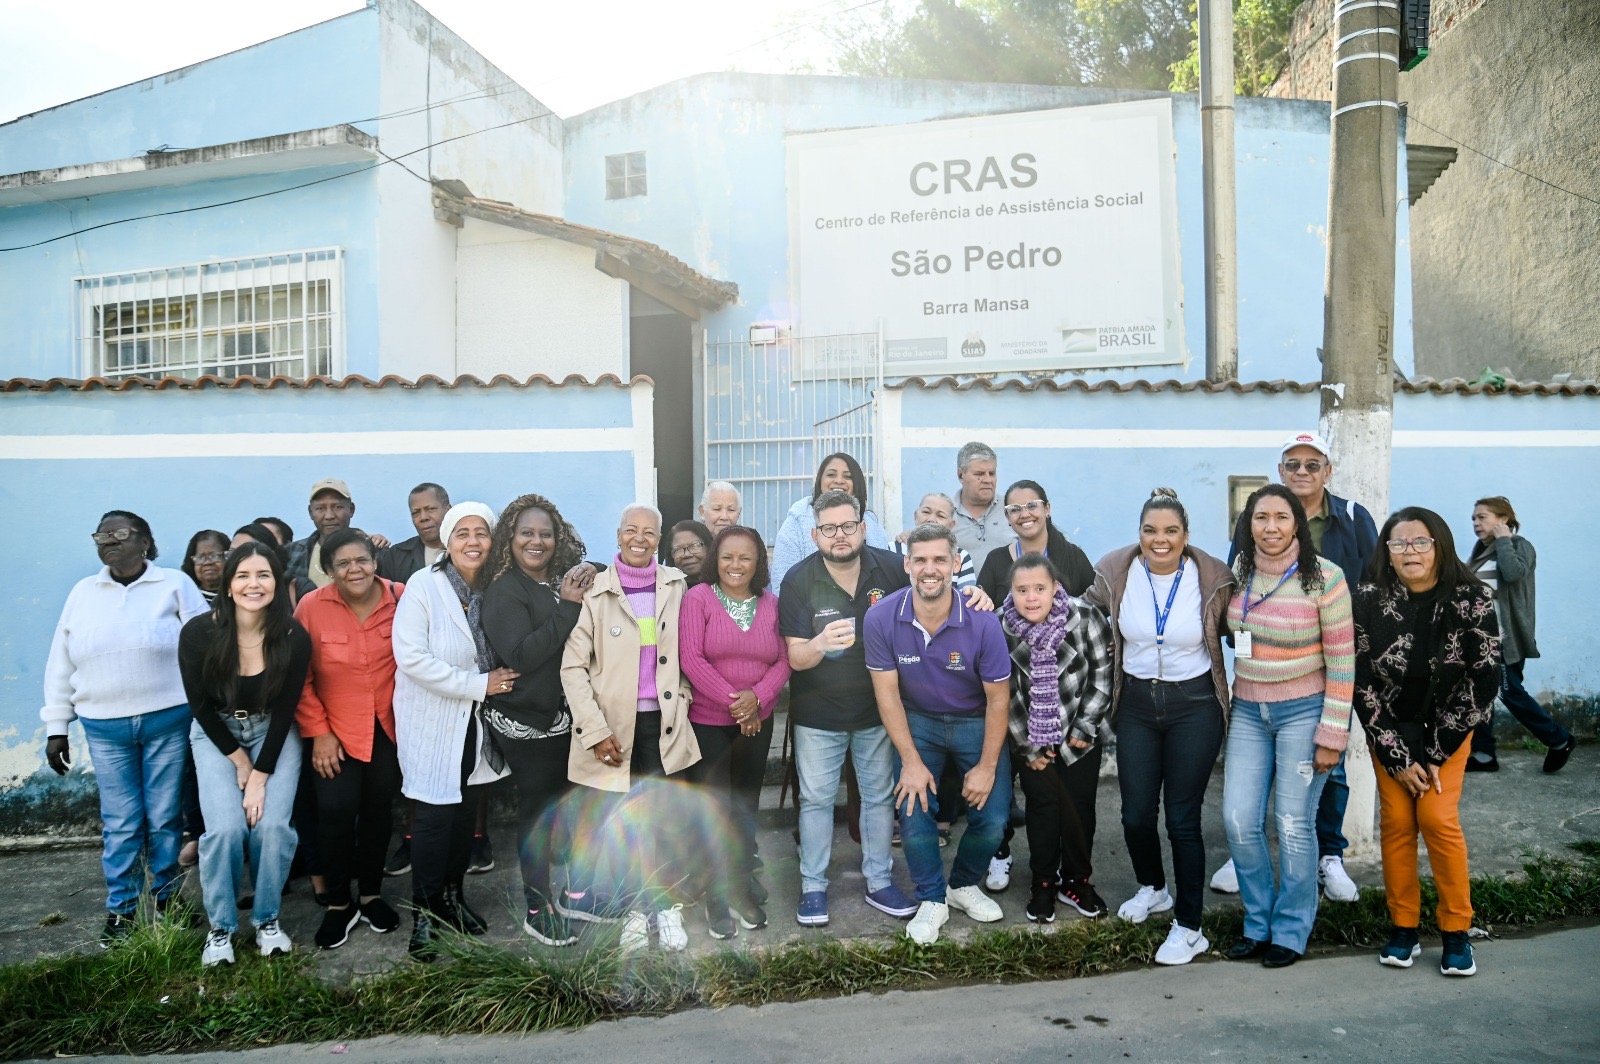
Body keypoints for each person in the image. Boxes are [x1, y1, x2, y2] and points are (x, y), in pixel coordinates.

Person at [1215, 432, 1377, 903]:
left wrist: (1349, 647)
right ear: (1281, 471)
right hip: (1258, 681)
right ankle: (1251, 854)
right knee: (1256, 780)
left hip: (1327, 666)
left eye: (1312, 464)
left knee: (1331, 769)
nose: (1302, 472)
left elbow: (1371, 579)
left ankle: (1330, 856)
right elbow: (1233, 587)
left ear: (1328, 471)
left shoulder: (1349, 518)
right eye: (1293, 464)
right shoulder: (1256, 530)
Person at [42, 510, 210, 947]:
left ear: (146, 542)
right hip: (104, 727)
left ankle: (169, 898)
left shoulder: (174, 584)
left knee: (164, 818)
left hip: (168, 719)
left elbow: (205, 645)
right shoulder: (82, 593)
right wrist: (56, 725)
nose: (110, 541)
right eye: (102, 534)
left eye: (121, 533)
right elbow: (61, 659)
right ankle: (123, 910)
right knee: (121, 822)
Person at [1085, 488, 1235, 965]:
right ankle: (1154, 888)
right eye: (1151, 530)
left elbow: (1247, 628)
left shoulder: (1211, 577)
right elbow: (1075, 613)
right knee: (1134, 814)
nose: (1160, 539)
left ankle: (1191, 927)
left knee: (1183, 819)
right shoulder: (1116, 573)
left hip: (1194, 704)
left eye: (1171, 531)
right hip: (1136, 705)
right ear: (1140, 534)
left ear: (1186, 536)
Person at [1354, 507, 1500, 978]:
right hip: (1391, 730)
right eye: (1399, 544)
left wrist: (1436, 752)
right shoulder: (1369, 599)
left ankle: (1456, 931)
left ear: (1440, 545)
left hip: (1449, 730)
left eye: (1420, 542)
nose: (1410, 551)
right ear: (1387, 552)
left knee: (1437, 818)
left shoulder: (1473, 597)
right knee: (1397, 821)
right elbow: (1361, 681)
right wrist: (1396, 755)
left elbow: (1485, 677)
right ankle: (1403, 927)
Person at [1220, 484, 1355, 969]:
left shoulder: (1326, 578)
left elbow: (1343, 661)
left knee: (1294, 824)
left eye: (1281, 517)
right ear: (1247, 524)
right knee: (1238, 820)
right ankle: (1258, 923)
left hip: (1305, 712)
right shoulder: (1236, 573)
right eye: (1261, 517)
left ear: (1297, 521)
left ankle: (1292, 929)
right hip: (1249, 714)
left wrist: (1332, 735)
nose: (1271, 527)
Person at [560, 503, 702, 952]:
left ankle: (667, 906)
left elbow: (691, 651)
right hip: (614, 729)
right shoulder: (595, 592)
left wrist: (683, 699)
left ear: (659, 540)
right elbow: (572, 667)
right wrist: (595, 730)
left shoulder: (677, 586)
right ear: (618, 535)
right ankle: (635, 909)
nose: (639, 539)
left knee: (663, 819)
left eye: (649, 532)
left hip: (664, 724)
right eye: (630, 530)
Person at [865, 524, 1013, 945]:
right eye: (921, 560)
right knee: (913, 812)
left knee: (993, 817)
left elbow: (998, 700)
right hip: (919, 721)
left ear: (954, 565)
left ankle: (962, 884)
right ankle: (932, 898)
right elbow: (887, 696)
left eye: (940, 560)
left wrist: (986, 766)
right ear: (907, 564)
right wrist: (910, 761)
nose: (930, 569)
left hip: (974, 719)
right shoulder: (881, 618)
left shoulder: (982, 621)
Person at [779, 490, 921, 929]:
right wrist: (820, 644)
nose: (838, 536)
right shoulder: (798, 580)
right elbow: (795, 658)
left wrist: (977, 599)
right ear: (814, 534)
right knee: (818, 800)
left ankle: (879, 881)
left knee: (878, 797)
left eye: (846, 526)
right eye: (828, 528)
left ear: (862, 527)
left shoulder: (894, 569)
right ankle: (813, 888)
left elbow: (934, 601)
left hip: (878, 711)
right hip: (818, 714)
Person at [178, 541, 311, 966]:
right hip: (216, 733)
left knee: (271, 827)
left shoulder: (292, 636)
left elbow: (289, 707)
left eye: (264, 575)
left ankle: (267, 920)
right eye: (243, 575)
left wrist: (260, 775)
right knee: (225, 831)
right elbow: (199, 706)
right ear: (229, 584)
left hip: (273, 729)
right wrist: (240, 762)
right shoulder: (198, 633)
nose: (254, 584)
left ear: (277, 582)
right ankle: (221, 929)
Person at [393, 501, 513, 959]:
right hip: (432, 719)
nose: (472, 541)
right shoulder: (425, 586)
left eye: (481, 532)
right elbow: (412, 658)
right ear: (447, 540)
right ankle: (424, 914)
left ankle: (452, 899)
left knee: (465, 816)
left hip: (476, 723)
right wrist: (478, 685)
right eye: (461, 532)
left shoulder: (496, 588)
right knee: (432, 818)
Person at [481, 493, 602, 946]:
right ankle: (537, 906)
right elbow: (523, 655)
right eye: (527, 533)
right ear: (509, 539)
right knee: (538, 815)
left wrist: (594, 572)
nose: (537, 541)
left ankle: (574, 893)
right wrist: (569, 606)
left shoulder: (558, 580)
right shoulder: (505, 590)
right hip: (525, 722)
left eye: (546, 534)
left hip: (564, 718)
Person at [294, 529, 406, 950]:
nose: (354, 569)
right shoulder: (311, 606)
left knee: (379, 811)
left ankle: (372, 894)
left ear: (374, 562)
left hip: (388, 728)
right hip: (334, 731)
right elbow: (299, 677)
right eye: (343, 564)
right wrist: (319, 732)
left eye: (361, 560)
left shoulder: (401, 598)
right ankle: (340, 904)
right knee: (336, 812)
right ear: (329, 571)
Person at [680, 525, 792, 938]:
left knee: (744, 807)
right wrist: (737, 702)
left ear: (758, 562)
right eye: (727, 556)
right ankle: (713, 894)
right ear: (715, 558)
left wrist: (757, 700)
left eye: (745, 557)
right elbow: (690, 658)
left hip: (757, 723)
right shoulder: (699, 598)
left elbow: (783, 660)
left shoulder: (772, 604)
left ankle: (741, 883)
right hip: (708, 723)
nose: (735, 565)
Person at [1000, 553, 1113, 928]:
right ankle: (1043, 881)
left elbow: (1102, 674)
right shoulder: (1001, 628)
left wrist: (1085, 728)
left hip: (1080, 733)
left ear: (1055, 588)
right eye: (1022, 590)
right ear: (1011, 592)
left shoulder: (1084, 618)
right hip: (1030, 738)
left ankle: (1077, 880)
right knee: (1043, 808)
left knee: (1080, 809)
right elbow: (1005, 694)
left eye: (1039, 589)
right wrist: (1028, 747)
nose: (1031, 598)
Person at [1465, 496, 1575, 773]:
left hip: (1505, 638)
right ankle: (1484, 755)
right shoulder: (1482, 549)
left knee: (1508, 691)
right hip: (1482, 639)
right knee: (1480, 694)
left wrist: (1504, 540)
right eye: (1474, 518)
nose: (1476, 523)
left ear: (1503, 519)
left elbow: (1514, 575)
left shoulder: (1519, 546)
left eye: (1482, 517)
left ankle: (1559, 739)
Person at [770, 453, 891, 590]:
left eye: (848, 476)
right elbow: (783, 580)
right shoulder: (796, 522)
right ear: (820, 481)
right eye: (831, 475)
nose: (839, 481)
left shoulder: (873, 525)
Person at [977, 480, 1095, 605]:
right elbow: (980, 611)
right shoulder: (995, 560)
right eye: (1015, 509)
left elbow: (1098, 608)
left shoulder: (1073, 556)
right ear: (1007, 517)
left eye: (1032, 506)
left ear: (1047, 509)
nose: (1025, 514)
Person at [285, 478, 389, 591]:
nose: (329, 516)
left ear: (351, 509)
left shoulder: (376, 551)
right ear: (310, 512)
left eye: (338, 507)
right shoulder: (291, 553)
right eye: (320, 508)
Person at [893, 493, 978, 589]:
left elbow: (967, 597)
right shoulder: (891, 549)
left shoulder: (961, 556)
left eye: (941, 516)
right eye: (926, 512)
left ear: (951, 525)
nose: (931, 519)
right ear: (915, 516)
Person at [951, 441, 1013, 559]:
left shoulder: (1013, 509)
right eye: (979, 474)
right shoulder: (944, 514)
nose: (988, 480)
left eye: (992, 473)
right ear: (960, 475)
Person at [380, 483, 451, 583]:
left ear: (448, 511)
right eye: (416, 513)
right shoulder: (396, 556)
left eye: (430, 509)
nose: (423, 517)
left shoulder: (467, 550)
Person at [180, 530, 229, 603]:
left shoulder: (238, 597)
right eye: (200, 558)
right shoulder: (184, 598)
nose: (207, 562)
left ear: (228, 557)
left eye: (214, 556)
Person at [665, 520, 714, 587]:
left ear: (709, 547)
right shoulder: (665, 593)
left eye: (695, 545)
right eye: (678, 549)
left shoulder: (726, 588)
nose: (687, 555)